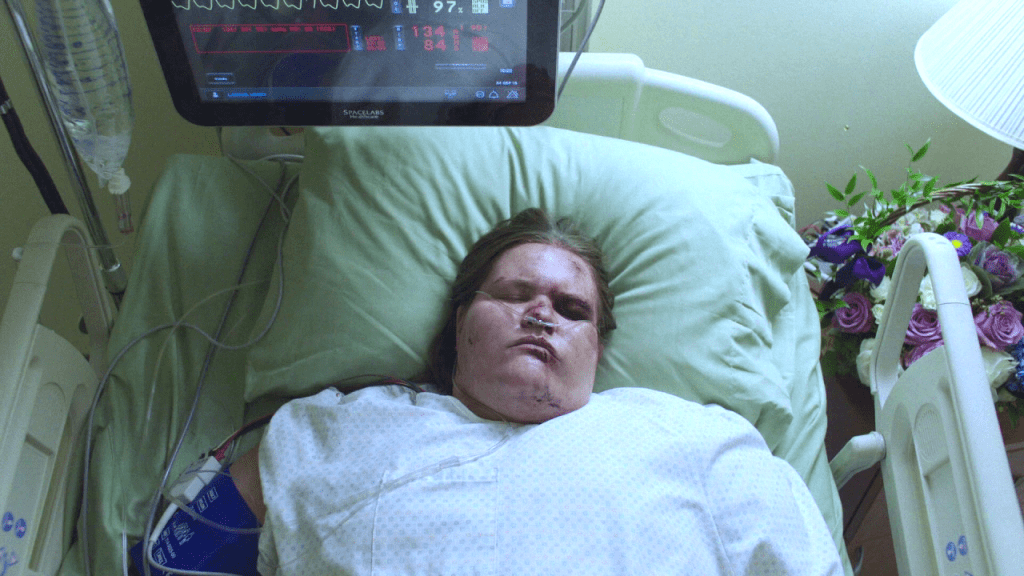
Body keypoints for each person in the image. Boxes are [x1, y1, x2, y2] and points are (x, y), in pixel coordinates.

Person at [228, 208, 843, 575]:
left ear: (598, 349)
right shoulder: (333, 433)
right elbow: (186, 546)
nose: (542, 315)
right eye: (514, 295)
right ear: (460, 321)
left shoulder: (698, 440)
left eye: (571, 309)